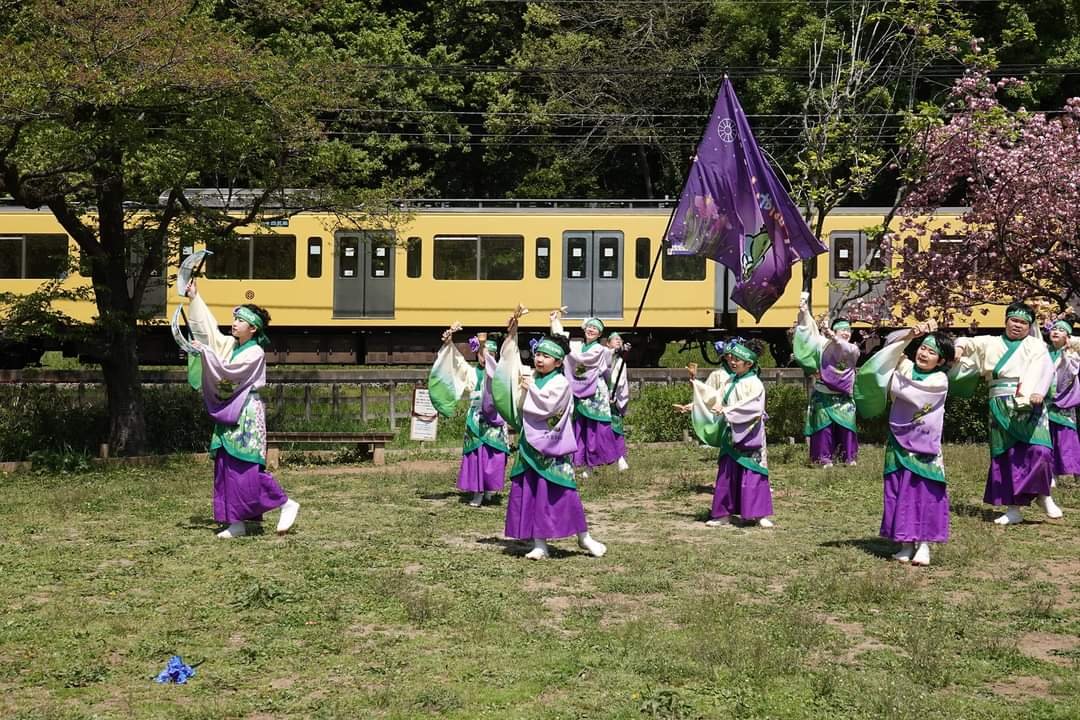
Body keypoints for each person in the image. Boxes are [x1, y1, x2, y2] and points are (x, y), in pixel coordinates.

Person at [184, 281, 299, 539]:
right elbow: (211, 335)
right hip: (233, 410)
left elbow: (228, 374)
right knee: (226, 465)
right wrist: (195, 298)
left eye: (240, 320)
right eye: (234, 319)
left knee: (245, 467)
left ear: (253, 328)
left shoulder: (255, 352)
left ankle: (285, 502)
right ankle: (235, 522)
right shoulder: (233, 346)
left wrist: (205, 354)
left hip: (246, 412)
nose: (234, 323)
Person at [494, 311, 606, 560]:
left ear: (558, 362)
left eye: (546, 356)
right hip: (529, 446)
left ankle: (584, 537)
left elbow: (549, 406)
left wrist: (530, 388)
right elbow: (510, 368)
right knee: (533, 492)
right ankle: (540, 544)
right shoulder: (532, 376)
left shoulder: (561, 383)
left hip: (552, 447)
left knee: (563, 492)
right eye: (538, 355)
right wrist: (512, 335)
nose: (540, 360)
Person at [854, 323, 954, 566]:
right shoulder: (906, 366)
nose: (924, 353)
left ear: (940, 361)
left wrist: (893, 382)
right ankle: (905, 542)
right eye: (923, 348)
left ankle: (924, 544)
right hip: (898, 441)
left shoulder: (939, 379)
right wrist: (911, 334)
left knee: (924, 492)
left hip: (924, 446)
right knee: (898, 490)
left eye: (932, 352)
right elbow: (890, 348)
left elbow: (915, 394)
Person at [950, 301, 1055, 525]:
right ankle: (1013, 508)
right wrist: (959, 347)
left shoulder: (1036, 346)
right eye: (1014, 320)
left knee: (1040, 450)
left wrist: (1038, 391)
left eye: (1023, 323)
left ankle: (1043, 494)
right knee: (1007, 456)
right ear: (1006, 321)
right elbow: (965, 341)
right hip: (999, 403)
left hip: (1030, 401)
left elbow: (1046, 369)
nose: (1017, 326)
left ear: (1029, 326)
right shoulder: (990, 342)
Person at [676, 338, 774, 528]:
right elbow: (715, 398)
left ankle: (758, 514)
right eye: (731, 359)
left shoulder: (755, 383)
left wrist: (728, 411)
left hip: (750, 434)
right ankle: (723, 514)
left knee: (753, 472)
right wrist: (693, 403)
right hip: (731, 434)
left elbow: (753, 407)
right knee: (727, 474)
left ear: (749, 363)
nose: (732, 362)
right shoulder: (730, 381)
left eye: (737, 360)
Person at [428, 326, 509, 507]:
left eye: (490, 354)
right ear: (477, 354)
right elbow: (456, 362)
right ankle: (477, 491)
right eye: (482, 353)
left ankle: (489, 489)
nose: (485, 357)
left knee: (494, 454)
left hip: (496, 419)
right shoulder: (471, 372)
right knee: (477, 454)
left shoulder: (500, 373)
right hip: (477, 420)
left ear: (495, 356)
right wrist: (449, 342)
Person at [550, 311, 622, 478]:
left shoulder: (598, 349)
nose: (591, 330)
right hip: (581, 391)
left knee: (598, 428)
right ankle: (586, 465)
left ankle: (616, 457)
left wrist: (568, 350)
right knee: (582, 428)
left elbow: (580, 360)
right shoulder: (578, 346)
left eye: (594, 328)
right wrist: (555, 321)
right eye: (589, 327)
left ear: (599, 333)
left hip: (595, 392)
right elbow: (562, 340)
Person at [794, 297, 860, 467]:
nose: (846, 333)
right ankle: (823, 459)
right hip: (824, 393)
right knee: (824, 429)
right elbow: (809, 334)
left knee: (847, 428)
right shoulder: (822, 344)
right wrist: (804, 313)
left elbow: (846, 350)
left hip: (843, 396)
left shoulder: (852, 348)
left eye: (848, 330)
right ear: (833, 331)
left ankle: (848, 457)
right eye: (841, 330)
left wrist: (836, 339)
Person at [1047, 315, 1080, 488]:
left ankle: (1073, 473)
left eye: (1061, 330)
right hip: (1046, 401)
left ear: (1067, 336)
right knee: (1048, 437)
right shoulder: (1044, 351)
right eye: (1054, 329)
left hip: (1064, 402)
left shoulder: (1072, 354)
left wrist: (1068, 352)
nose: (1056, 332)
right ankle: (1052, 474)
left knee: (1066, 437)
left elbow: (1072, 372)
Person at [605, 331, 631, 471]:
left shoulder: (621, 360)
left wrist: (616, 395)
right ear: (607, 343)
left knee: (616, 427)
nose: (618, 341)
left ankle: (620, 457)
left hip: (614, 399)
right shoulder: (601, 355)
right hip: (601, 398)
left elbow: (622, 381)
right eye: (615, 339)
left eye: (620, 340)